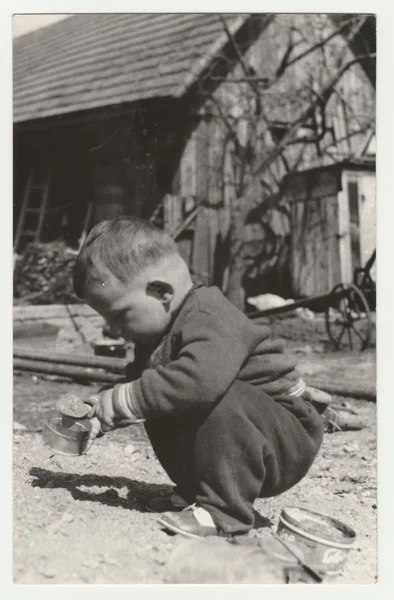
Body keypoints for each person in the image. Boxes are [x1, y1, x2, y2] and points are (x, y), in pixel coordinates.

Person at [73, 216, 324, 539]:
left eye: (119, 315)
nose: (114, 330)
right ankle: (198, 491)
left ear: (162, 291)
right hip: (249, 433)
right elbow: (139, 388)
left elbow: (201, 381)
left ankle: (224, 511)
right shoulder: (156, 335)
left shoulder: (208, 315)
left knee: (206, 393)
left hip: (283, 438)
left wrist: (129, 398)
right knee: (156, 394)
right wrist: (102, 410)